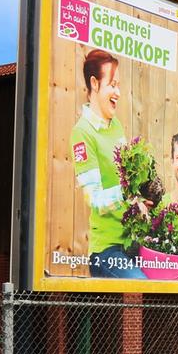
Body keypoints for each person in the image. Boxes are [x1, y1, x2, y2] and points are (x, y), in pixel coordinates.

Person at [70, 48, 145, 279]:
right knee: (143, 286)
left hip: (130, 242)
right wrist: (125, 193)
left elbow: (126, 180)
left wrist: (140, 199)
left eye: (119, 85)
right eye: (112, 84)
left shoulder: (116, 126)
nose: (118, 92)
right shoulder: (82, 134)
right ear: (94, 83)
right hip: (107, 251)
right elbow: (94, 199)